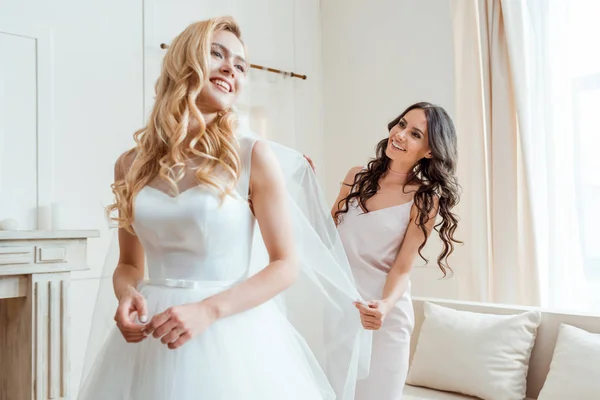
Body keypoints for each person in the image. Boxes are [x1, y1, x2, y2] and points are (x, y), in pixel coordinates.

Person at [77, 16, 368, 400]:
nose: (232, 68)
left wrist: (208, 311)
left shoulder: (253, 156)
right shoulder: (131, 164)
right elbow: (129, 264)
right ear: (184, 61)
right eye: (217, 53)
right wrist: (126, 293)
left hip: (230, 331)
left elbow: (285, 265)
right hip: (150, 334)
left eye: (241, 65)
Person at [311, 102, 460, 399]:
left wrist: (385, 307)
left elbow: (403, 266)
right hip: (342, 307)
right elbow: (325, 238)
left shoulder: (424, 198)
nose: (401, 134)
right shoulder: (356, 177)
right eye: (402, 124)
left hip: (384, 316)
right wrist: (307, 185)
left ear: (430, 150)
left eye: (415, 133)